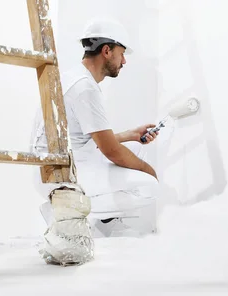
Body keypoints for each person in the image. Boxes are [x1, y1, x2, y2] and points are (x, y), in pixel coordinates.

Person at [31, 16, 164, 239]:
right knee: (149, 186)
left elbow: (89, 141)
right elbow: (110, 150)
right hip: (58, 176)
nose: (124, 61)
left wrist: (130, 135)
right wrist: (148, 171)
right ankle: (63, 212)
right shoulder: (85, 88)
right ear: (106, 51)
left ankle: (105, 224)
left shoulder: (75, 78)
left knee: (137, 150)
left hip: (59, 164)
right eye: (121, 54)